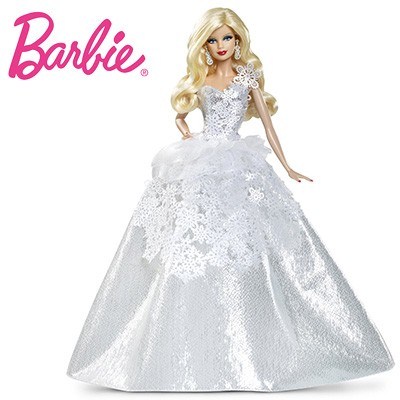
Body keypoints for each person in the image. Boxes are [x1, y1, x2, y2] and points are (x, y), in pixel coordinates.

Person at [66, 7, 394, 392]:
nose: (221, 45)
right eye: (213, 39)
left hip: (239, 162)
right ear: (204, 45)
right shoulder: (201, 78)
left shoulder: (246, 75)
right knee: (192, 242)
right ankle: (182, 343)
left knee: (253, 242)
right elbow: (182, 114)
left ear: (237, 40)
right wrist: (185, 130)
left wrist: (287, 166)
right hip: (203, 161)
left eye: (227, 38)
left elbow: (269, 126)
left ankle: (259, 342)